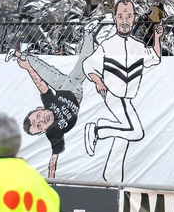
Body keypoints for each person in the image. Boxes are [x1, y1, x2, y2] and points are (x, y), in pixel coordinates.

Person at [11, 16, 115, 178]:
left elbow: (41, 84)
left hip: (63, 86)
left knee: (46, 72)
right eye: (39, 126)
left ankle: (21, 55)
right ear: (42, 132)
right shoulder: (54, 134)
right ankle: (89, 34)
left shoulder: (48, 104)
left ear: (39, 109)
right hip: (75, 89)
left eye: (38, 116)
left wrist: (27, 68)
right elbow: (53, 159)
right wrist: (51, 179)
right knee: (82, 66)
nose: (42, 120)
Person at [82, 0, 163, 182]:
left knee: (123, 134)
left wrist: (157, 38)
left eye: (128, 16)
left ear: (134, 18)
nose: (125, 20)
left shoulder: (138, 46)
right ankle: (98, 129)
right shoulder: (107, 45)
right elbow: (89, 64)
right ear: (115, 18)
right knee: (136, 131)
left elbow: (155, 58)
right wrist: (98, 81)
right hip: (114, 94)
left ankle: (111, 176)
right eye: (121, 16)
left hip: (126, 97)